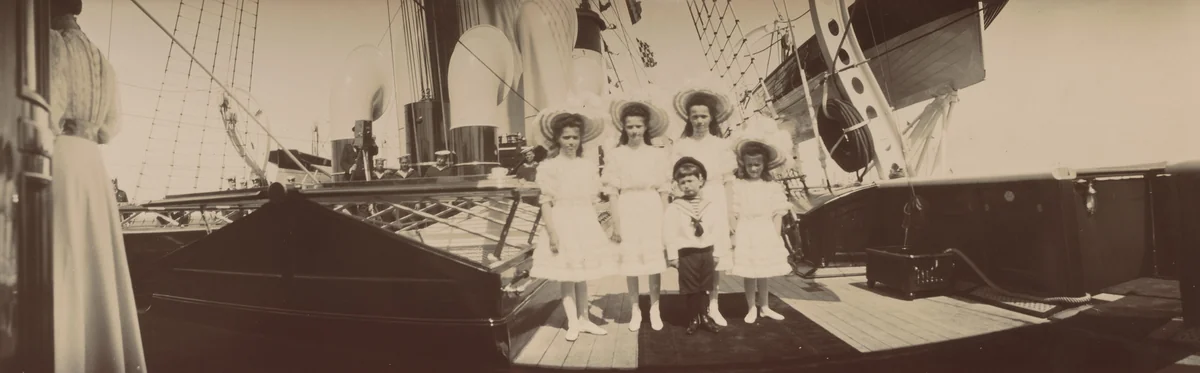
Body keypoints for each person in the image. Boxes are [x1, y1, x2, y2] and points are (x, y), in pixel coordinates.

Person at [48, 0, 147, 371]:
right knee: (95, 268)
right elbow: (110, 127)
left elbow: (46, 110)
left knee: (64, 262)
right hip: (92, 163)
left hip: (61, 157)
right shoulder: (101, 59)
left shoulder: (51, 44)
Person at [529, 105, 612, 342]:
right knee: (567, 273)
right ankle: (572, 322)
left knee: (582, 273)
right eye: (566, 137)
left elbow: (593, 200)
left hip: (583, 220)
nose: (571, 142)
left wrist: (598, 226)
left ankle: (584, 319)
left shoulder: (587, 166)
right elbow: (546, 202)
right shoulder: (549, 167)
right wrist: (552, 233)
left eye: (575, 137)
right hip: (562, 220)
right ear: (557, 138)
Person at [601, 97, 671, 331]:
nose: (634, 131)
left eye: (638, 126)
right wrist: (616, 224)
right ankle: (635, 310)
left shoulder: (656, 154)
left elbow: (664, 191)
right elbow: (612, 192)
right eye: (629, 126)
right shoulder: (616, 155)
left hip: (651, 206)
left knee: (653, 260)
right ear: (623, 127)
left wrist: (666, 221)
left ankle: (655, 309)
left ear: (646, 127)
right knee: (631, 260)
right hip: (628, 206)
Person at [669, 87, 736, 326]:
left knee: (715, 256)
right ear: (688, 118)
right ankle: (696, 309)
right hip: (690, 202)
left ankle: (714, 306)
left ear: (711, 118)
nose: (699, 121)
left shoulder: (721, 145)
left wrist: (730, 213)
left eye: (704, 116)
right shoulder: (681, 145)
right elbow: (675, 179)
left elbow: (728, 181)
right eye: (695, 116)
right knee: (694, 255)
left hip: (716, 198)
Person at [730, 138, 794, 323]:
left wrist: (775, 236)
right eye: (749, 165)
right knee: (750, 271)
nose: (753, 168)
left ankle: (765, 307)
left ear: (764, 164)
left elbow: (777, 213)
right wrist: (734, 235)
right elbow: (734, 211)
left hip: (765, 230)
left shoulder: (771, 186)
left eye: (757, 164)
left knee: (764, 271)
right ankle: (751, 307)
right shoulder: (739, 185)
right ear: (744, 165)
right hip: (746, 230)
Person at [663, 157, 723, 335]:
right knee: (690, 288)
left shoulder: (709, 205)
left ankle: (705, 316)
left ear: (700, 180)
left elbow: (717, 230)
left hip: (706, 251)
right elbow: (669, 233)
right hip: (687, 253)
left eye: (690, 181)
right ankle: (693, 318)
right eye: (682, 183)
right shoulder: (675, 207)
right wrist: (673, 256)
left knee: (705, 286)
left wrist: (717, 252)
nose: (687, 186)